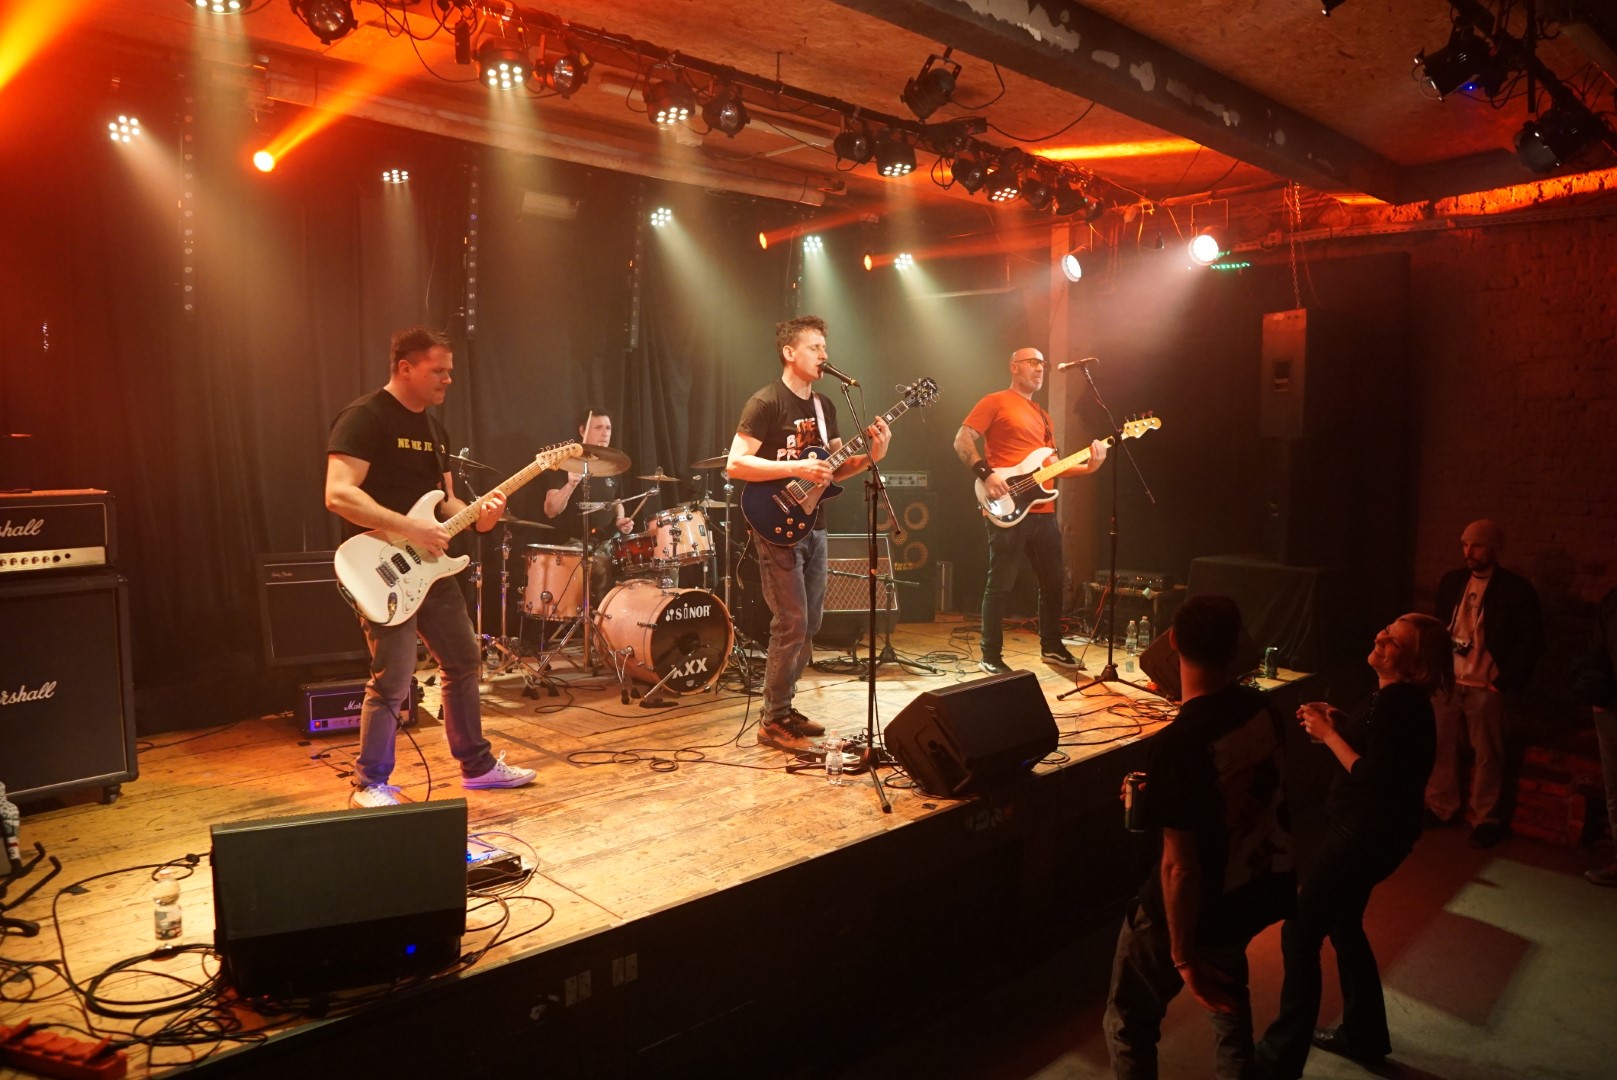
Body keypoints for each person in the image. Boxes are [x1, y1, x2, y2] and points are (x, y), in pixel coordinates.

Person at [325, 326, 537, 808]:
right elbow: (338, 494)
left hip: (432, 569)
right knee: (393, 678)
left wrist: (479, 516)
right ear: (405, 368)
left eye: (449, 371)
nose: (447, 380)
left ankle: (477, 767)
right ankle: (370, 783)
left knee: (463, 661)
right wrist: (409, 528)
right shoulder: (365, 417)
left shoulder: (435, 429)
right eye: (438, 370)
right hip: (381, 569)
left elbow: (445, 503)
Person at [1102, 595, 1294, 1080]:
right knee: (1228, 1007)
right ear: (1235, 648)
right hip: (1247, 889)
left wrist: (1183, 956)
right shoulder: (1262, 708)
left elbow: (1179, 865)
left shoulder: (1179, 744)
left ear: (1171, 641)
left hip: (1186, 912)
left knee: (1128, 1023)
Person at [1254, 613, 1453, 1079]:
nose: (1380, 635)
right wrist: (1342, 725)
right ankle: (1364, 1035)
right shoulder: (1398, 699)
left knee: (1299, 933)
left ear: (1415, 666)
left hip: (1362, 836)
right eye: (1386, 629)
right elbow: (1383, 750)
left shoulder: (1399, 702)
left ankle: (1280, 1058)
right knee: (1344, 924)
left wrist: (1329, 737)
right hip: (1379, 835)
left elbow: (1370, 775)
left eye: (1395, 641)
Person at [725, 315, 891, 753]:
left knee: (811, 623)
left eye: (824, 347)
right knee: (792, 622)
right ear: (789, 352)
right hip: (774, 524)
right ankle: (773, 719)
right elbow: (735, 464)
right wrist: (796, 466)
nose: (824, 355)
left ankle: (784, 706)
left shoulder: (824, 406)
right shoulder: (765, 403)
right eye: (815, 347)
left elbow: (837, 467)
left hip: (814, 524)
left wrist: (872, 455)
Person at [954, 346, 1107, 676]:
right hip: (1006, 505)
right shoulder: (994, 401)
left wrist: (1089, 468)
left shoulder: (1043, 416)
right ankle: (990, 655)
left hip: (1043, 511)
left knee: (1053, 583)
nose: (1040, 369)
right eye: (1033, 362)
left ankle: (1051, 647)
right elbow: (962, 440)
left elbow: (1052, 467)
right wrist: (986, 473)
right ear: (1014, 367)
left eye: (1042, 364)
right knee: (1000, 585)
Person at [1426, 519, 1543, 848]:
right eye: (1465, 544)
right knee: (1441, 746)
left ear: (1494, 548)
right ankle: (1441, 807)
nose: (1469, 552)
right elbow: (1438, 628)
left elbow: (1531, 642)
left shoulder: (1515, 590)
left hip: (1486, 684)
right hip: (1449, 680)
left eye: (1476, 545)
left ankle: (1485, 819)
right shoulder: (1453, 581)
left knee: (1488, 754)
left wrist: (1502, 683)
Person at [1571, 586, 1617, 886]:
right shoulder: (1613, 600)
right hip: (1611, 704)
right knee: (1615, 788)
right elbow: (1597, 650)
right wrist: (1597, 692)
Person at [536, 411, 637, 544]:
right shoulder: (565, 463)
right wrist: (570, 485)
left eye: (608, 428)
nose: (605, 433)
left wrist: (619, 520)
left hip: (606, 545)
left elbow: (616, 502)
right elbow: (550, 511)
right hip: (572, 545)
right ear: (582, 431)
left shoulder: (612, 465)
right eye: (598, 427)